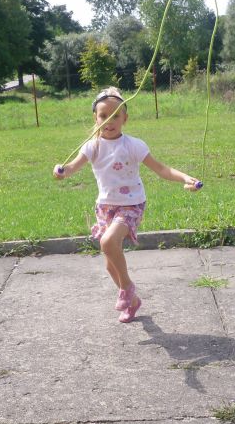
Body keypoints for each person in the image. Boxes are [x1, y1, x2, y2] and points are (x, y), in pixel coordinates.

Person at [53, 86, 202, 323]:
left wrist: (185, 178)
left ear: (125, 118)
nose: (109, 121)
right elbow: (72, 167)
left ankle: (126, 288)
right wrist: (61, 171)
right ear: (95, 118)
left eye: (115, 116)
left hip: (131, 205)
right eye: (103, 116)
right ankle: (132, 301)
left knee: (107, 242)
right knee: (110, 265)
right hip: (105, 208)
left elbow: (162, 169)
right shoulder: (92, 146)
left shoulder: (133, 145)